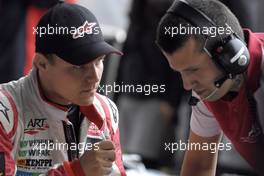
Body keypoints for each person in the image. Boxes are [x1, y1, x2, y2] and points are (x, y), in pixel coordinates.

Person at [0, 2, 126, 176]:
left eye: (99, 61)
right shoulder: (5, 111)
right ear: (41, 64)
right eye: (79, 66)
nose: (95, 76)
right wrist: (76, 171)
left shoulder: (106, 111)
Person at [156, 0, 264, 175]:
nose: (187, 84)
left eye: (193, 70)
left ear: (229, 53)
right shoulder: (209, 90)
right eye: (180, 72)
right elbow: (199, 167)